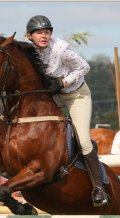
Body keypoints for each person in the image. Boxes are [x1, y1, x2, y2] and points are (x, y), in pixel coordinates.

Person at [25, 15, 108, 207]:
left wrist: (63, 82)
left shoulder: (61, 50)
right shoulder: (29, 51)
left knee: (83, 140)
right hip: (55, 97)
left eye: (47, 32)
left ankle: (99, 188)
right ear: (30, 36)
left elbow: (85, 67)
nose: (44, 36)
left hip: (76, 96)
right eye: (39, 33)